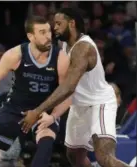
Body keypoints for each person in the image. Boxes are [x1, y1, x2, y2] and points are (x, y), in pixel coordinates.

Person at [20, 7, 130, 167]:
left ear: (72, 23)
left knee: (104, 158)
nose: (55, 27)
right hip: (79, 106)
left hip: (99, 103)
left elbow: (68, 87)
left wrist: (37, 111)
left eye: (58, 23)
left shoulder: (83, 48)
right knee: (74, 156)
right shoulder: (64, 44)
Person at [0, 16, 70, 167]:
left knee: (46, 141)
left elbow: (68, 93)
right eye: (42, 32)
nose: (48, 36)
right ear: (30, 36)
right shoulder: (15, 54)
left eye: (48, 32)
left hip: (44, 108)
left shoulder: (61, 58)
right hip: (15, 107)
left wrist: (52, 117)